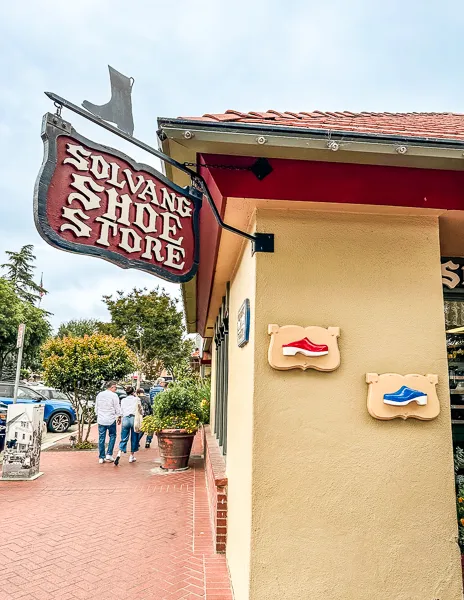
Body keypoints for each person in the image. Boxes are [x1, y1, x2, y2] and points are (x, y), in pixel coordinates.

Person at [114, 386, 142, 466]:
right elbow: (140, 410)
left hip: (125, 419)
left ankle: (119, 453)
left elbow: (121, 411)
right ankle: (131, 456)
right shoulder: (137, 399)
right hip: (134, 419)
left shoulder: (123, 400)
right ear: (133, 392)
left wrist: (119, 418)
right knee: (134, 438)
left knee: (124, 438)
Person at [95, 381, 121, 464]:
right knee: (112, 436)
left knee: (101, 437)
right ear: (112, 387)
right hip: (110, 419)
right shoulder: (114, 396)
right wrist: (119, 416)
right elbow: (117, 407)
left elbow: (96, 406)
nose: (116, 389)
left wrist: (97, 415)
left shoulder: (99, 394)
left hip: (101, 419)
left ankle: (101, 457)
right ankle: (109, 454)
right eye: (115, 387)